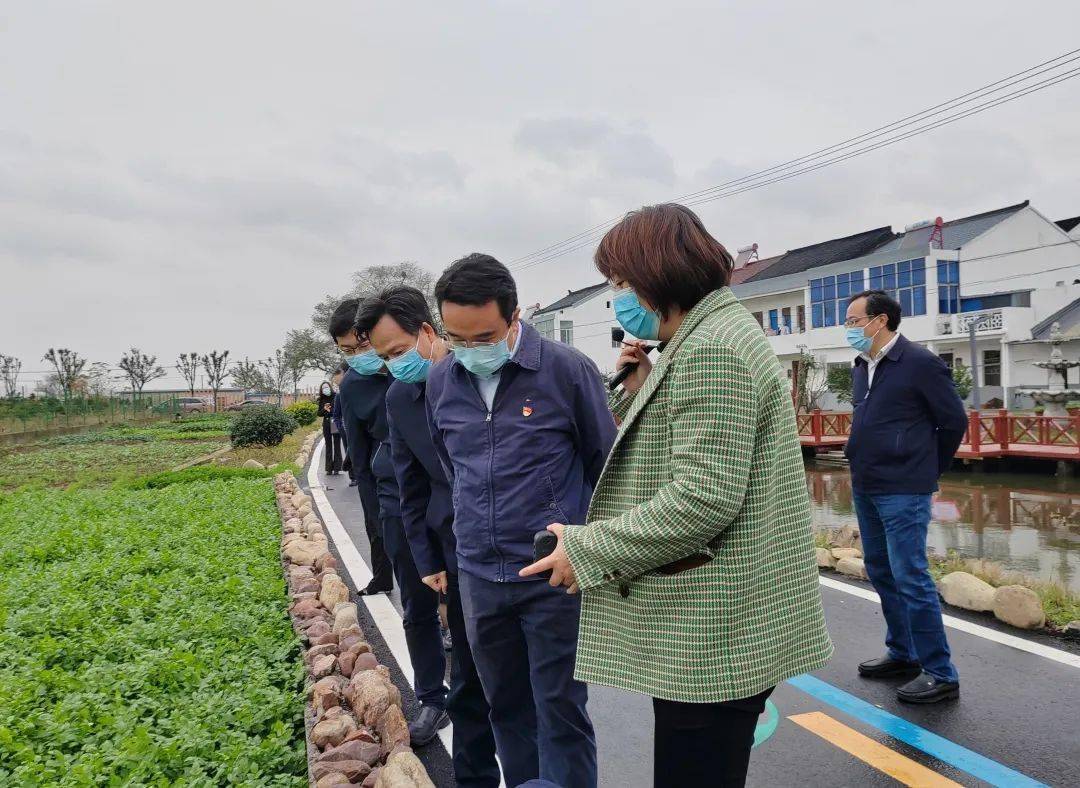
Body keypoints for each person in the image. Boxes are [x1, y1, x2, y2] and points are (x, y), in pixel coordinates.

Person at [522, 204, 833, 788]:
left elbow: (702, 498)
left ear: (655, 274)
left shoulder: (710, 350)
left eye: (619, 282)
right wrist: (637, 388)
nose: (616, 296)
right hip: (724, 612)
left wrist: (587, 549)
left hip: (718, 623)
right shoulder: (707, 337)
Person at [426, 253, 615, 788]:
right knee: (505, 705)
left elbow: (605, 465)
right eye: (457, 339)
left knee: (560, 709)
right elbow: (452, 468)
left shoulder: (565, 370)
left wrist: (587, 546)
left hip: (551, 572)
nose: (470, 351)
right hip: (480, 577)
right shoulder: (442, 381)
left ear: (514, 319)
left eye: (483, 337)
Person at [356, 285, 499, 787]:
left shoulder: (479, 377)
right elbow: (408, 479)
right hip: (443, 537)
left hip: (503, 540)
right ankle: (447, 724)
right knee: (451, 647)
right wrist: (425, 556)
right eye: (384, 357)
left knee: (512, 670)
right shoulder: (401, 395)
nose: (394, 364)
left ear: (427, 331)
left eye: (398, 351)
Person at [842, 290, 967, 703]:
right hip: (867, 482)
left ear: (879, 321)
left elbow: (952, 421)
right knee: (880, 569)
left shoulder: (920, 363)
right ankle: (904, 652)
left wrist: (927, 469)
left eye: (853, 320)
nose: (849, 329)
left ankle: (940, 672)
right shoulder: (863, 364)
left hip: (904, 487)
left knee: (911, 576)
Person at [328, 299, 394, 595]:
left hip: (432, 479)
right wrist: (372, 501)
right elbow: (358, 449)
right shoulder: (353, 386)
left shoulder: (411, 366)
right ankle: (382, 576)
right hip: (386, 479)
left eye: (363, 345)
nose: (358, 356)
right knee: (380, 527)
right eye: (347, 351)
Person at [318, 380, 343, 475]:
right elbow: (319, 413)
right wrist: (324, 409)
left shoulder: (336, 396)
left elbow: (339, 410)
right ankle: (329, 468)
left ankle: (337, 467)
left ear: (330, 387)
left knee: (337, 444)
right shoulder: (321, 399)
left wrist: (330, 409)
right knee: (328, 445)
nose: (325, 389)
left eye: (327, 387)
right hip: (326, 423)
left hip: (335, 422)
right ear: (321, 389)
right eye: (323, 388)